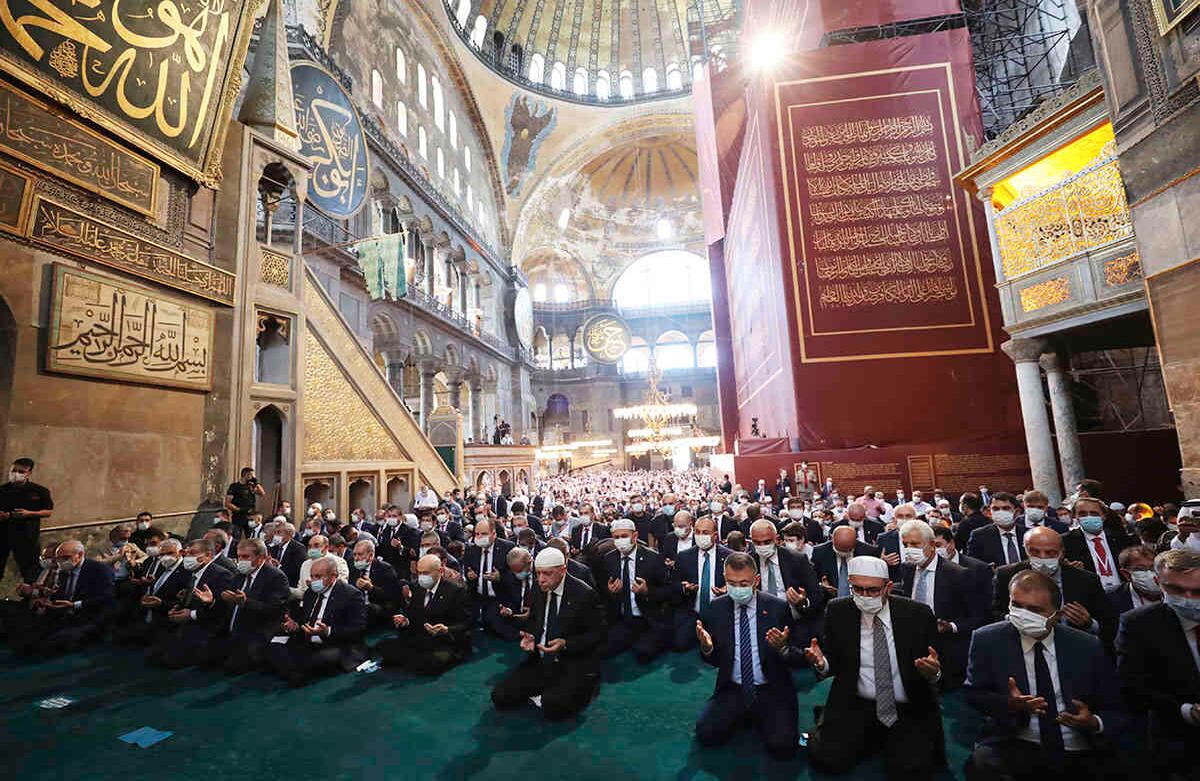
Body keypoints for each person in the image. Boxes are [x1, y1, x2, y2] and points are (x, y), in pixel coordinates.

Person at [965, 569, 1123, 779]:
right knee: (982, 765)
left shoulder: (1086, 645)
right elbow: (974, 694)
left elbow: (1115, 705)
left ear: (1056, 615)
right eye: (1017, 606)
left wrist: (1093, 722)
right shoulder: (987, 640)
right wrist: (1009, 704)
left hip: (1077, 744)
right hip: (1016, 741)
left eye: (1034, 609)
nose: (1023, 614)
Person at [805, 555, 945, 780]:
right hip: (857, 700)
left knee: (910, 770)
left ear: (888, 587)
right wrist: (822, 664)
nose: (864, 596)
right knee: (827, 758)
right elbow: (832, 659)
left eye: (872, 590)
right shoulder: (839, 610)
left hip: (906, 705)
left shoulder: (917, 614)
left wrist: (934, 673)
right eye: (857, 589)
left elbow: (937, 665)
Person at [694, 551, 807, 758]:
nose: (737, 588)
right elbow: (714, 659)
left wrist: (782, 648)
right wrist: (708, 648)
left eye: (744, 582)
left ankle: (757, 717)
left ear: (756, 580)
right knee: (706, 735)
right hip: (733, 688)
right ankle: (746, 714)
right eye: (732, 583)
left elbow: (799, 656)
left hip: (771, 688)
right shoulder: (717, 608)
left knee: (783, 747)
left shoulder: (777, 607)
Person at [491, 548, 607, 720]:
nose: (541, 579)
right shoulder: (539, 588)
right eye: (538, 573)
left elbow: (597, 635)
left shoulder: (584, 594)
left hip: (571, 660)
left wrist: (566, 644)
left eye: (547, 573)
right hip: (541, 659)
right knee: (500, 696)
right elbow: (535, 620)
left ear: (563, 570)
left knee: (553, 706)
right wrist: (530, 636)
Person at [1115, 549, 1200, 780]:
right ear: (1158, 582)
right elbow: (1132, 687)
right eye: (1177, 590)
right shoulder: (1138, 625)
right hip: (1178, 749)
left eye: (1197, 591)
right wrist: (1187, 711)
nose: (1189, 598)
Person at [992, 527, 1115, 650]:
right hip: (1021, 646)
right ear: (1025, 549)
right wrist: (1015, 618)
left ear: (1062, 552)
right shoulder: (1006, 575)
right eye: (1035, 552)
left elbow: (1109, 624)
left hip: (1072, 648)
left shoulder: (1086, 580)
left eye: (1050, 552)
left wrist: (1089, 624)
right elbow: (994, 613)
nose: (1042, 558)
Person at [896, 520, 978, 689]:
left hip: (947, 649)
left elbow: (978, 616)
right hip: (913, 646)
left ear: (932, 545)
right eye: (905, 544)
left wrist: (951, 626)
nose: (909, 549)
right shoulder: (907, 568)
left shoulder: (958, 574)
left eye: (915, 544)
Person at [266, 556, 367, 686]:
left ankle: (293, 670)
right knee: (272, 646)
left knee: (314, 658)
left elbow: (358, 629)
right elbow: (304, 620)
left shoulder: (351, 595)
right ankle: (295, 671)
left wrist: (327, 631)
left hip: (336, 644)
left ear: (333, 576)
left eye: (318, 577)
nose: (313, 581)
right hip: (308, 641)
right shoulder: (310, 593)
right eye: (312, 576)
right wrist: (296, 626)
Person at [10, 540, 114, 656]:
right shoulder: (62, 571)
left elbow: (106, 597)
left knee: (55, 642)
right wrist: (47, 602)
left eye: (65, 558)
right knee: (25, 638)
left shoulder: (99, 570)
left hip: (88, 616)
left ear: (79, 555)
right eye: (58, 558)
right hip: (63, 616)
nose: (61, 562)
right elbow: (58, 596)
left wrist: (74, 605)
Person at [145, 538, 234, 668]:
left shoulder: (222, 575)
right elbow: (190, 602)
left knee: (168, 661)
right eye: (186, 553)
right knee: (153, 655)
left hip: (208, 631)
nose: (187, 557)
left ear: (208, 555)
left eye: (192, 553)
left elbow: (224, 611)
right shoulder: (194, 572)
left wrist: (192, 614)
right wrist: (177, 607)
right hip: (186, 627)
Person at [206, 537, 290, 674]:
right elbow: (229, 601)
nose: (241, 561)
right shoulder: (239, 575)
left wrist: (245, 602)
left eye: (245, 557)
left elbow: (273, 610)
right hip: (233, 629)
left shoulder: (276, 577)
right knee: (207, 657)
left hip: (258, 630)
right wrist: (212, 601)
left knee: (232, 667)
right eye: (239, 557)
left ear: (261, 557)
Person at [377, 553, 470, 675]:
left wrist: (446, 629)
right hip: (420, 637)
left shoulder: (456, 591)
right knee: (385, 648)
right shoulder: (417, 587)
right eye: (419, 573)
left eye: (426, 573)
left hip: (445, 641)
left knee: (430, 663)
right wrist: (406, 621)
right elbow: (414, 615)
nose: (421, 577)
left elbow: (465, 623)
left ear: (441, 571)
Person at [602, 518, 670, 662]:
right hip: (623, 619)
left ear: (635, 536)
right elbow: (603, 595)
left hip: (648, 618)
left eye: (624, 536)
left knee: (643, 654)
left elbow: (668, 591)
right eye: (616, 537)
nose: (620, 540)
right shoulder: (609, 559)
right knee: (604, 650)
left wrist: (647, 591)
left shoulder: (653, 558)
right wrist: (611, 592)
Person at [748, 518, 822, 642]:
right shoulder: (749, 562)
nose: (762, 546)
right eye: (757, 543)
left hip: (794, 624)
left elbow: (817, 596)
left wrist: (803, 601)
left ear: (776, 539)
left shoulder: (796, 559)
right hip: (760, 625)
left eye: (766, 542)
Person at [671, 516, 730, 651]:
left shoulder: (729, 556)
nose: (700, 536)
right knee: (679, 645)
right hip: (693, 612)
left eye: (705, 533)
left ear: (715, 535)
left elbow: (738, 583)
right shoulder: (684, 556)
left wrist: (728, 589)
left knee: (722, 648)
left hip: (719, 613)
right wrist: (684, 588)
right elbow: (673, 585)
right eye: (697, 532)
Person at [1063, 497, 1135, 592]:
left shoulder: (1121, 539)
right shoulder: (1066, 541)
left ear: (1104, 516)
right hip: (1091, 594)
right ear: (1075, 516)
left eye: (1094, 513)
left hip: (1123, 592)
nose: (1088, 517)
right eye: (1082, 514)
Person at [0, 457, 54, 582]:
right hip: (3, 535)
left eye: (21, 471)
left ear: (28, 473)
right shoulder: (2, 490)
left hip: (27, 537)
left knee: (30, 572)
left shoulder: (40, 491)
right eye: (14, 470)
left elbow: (48, 511)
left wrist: (28, 513)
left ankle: (30, 598)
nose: (16, 474)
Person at [462, 519, 514, 630]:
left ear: (494, 534)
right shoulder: (470, 549)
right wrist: (469, 575)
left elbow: (513, 577)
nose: (480, 537)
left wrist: (500, 577)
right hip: (477, 599)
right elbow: (467, 572)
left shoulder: (507, 548)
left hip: (498, 599)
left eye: (484, 534)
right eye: (477, 534)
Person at [811, 525, 882, 601]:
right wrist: (822, 587)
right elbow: (812, 578)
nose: (843, 553)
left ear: (855, 542)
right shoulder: (819, 552)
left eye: (847, 550)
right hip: (829, 601)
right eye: (839, 550)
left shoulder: (869, 552)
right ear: (832, 540)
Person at [351, 539, 405, 627]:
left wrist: (371, 588)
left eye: (360, 554)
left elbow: (393, 597)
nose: (356, 558)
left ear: (371, 555)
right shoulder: (354, 569)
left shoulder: (385, 569)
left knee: (369, 609)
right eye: (354, 554)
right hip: (360, 607)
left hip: (380, 608)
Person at [968, 493, 1027, 568]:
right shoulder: (979, 536)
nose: (1000, 512)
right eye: (995, 509)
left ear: (1017, 512)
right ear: (990, 512)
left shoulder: (1028, 533)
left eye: (1006, 508)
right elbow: (972, 565)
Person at [1107, 544, 1162, 616]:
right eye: (1141, 569)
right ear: (1126, 574)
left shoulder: (1174, 589)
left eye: (1153, 567)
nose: (1150, 574)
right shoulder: (1111, 598)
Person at [290, 534, 350, 600]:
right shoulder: (305, 564)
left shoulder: (338, 562)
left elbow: (342, 587)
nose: (312, 548)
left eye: (316, 545)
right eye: (310, 546)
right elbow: (301, 590)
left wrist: (319, 586)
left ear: (326, 547)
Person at [224, 467, 264, 537]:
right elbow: (227, 503)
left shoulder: (251, 485)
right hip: (238, 515)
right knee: (236, 535)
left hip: (250, 515)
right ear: (246, 475)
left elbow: (262, 493)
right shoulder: (234, 486)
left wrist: (256, 483)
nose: (253, 477)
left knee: (250, 535)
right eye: (252, 475)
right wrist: (239, 510)